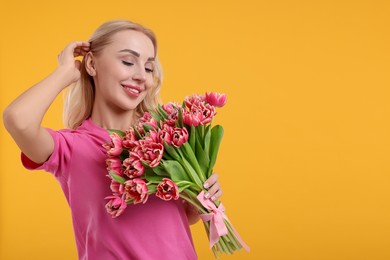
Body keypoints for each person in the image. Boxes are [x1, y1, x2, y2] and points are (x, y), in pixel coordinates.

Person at [3, 19, 223, 260]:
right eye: (128, 62)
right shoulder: (71, 148)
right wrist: (65, 73)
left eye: (149, 68)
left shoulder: (164, 140)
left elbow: (172, 220)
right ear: (92, 64)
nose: (141, 76)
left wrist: (197, 199)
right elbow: (18, 120)